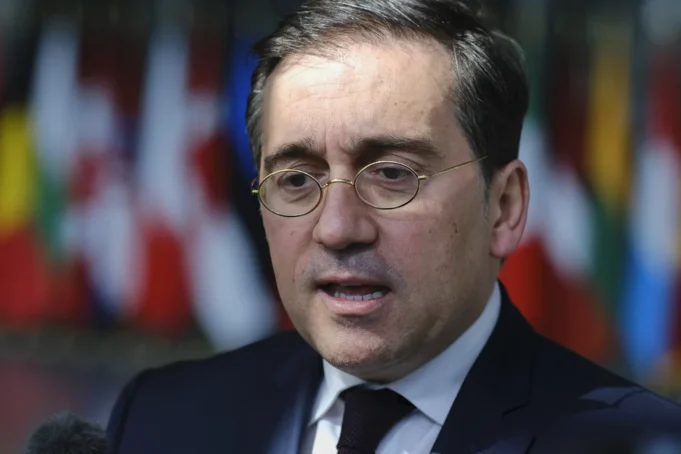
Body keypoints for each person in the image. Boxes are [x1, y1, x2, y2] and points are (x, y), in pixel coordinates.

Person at [106, 1, 681, 453]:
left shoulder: (641, 443)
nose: (337, 229)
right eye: (297, 180)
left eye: (391, 174)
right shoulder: (159, 418)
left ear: (504, 207)